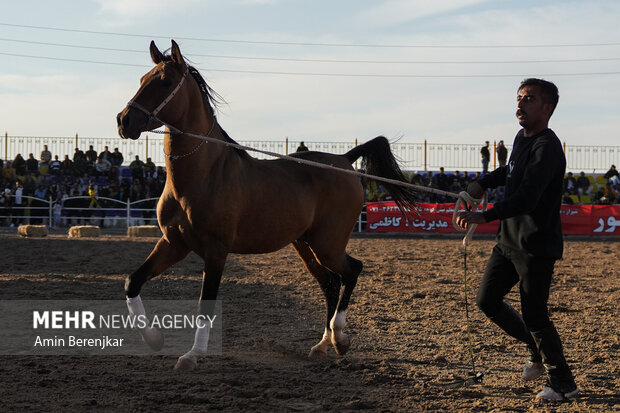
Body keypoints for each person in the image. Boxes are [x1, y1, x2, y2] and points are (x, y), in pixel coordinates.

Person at [456, 78, 578, 401]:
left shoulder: (548, 148)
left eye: (530, 98)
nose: (521, 103)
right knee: (487, 300)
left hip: (536, 247)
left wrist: (483, 216)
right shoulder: (520, 139)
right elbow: (508, 173)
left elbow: (527, 196)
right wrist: (481, 183)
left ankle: (563, 382)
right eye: (519, 97)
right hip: (508, 241)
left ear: (547, 108)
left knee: (535, 313)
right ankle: (534, 350)